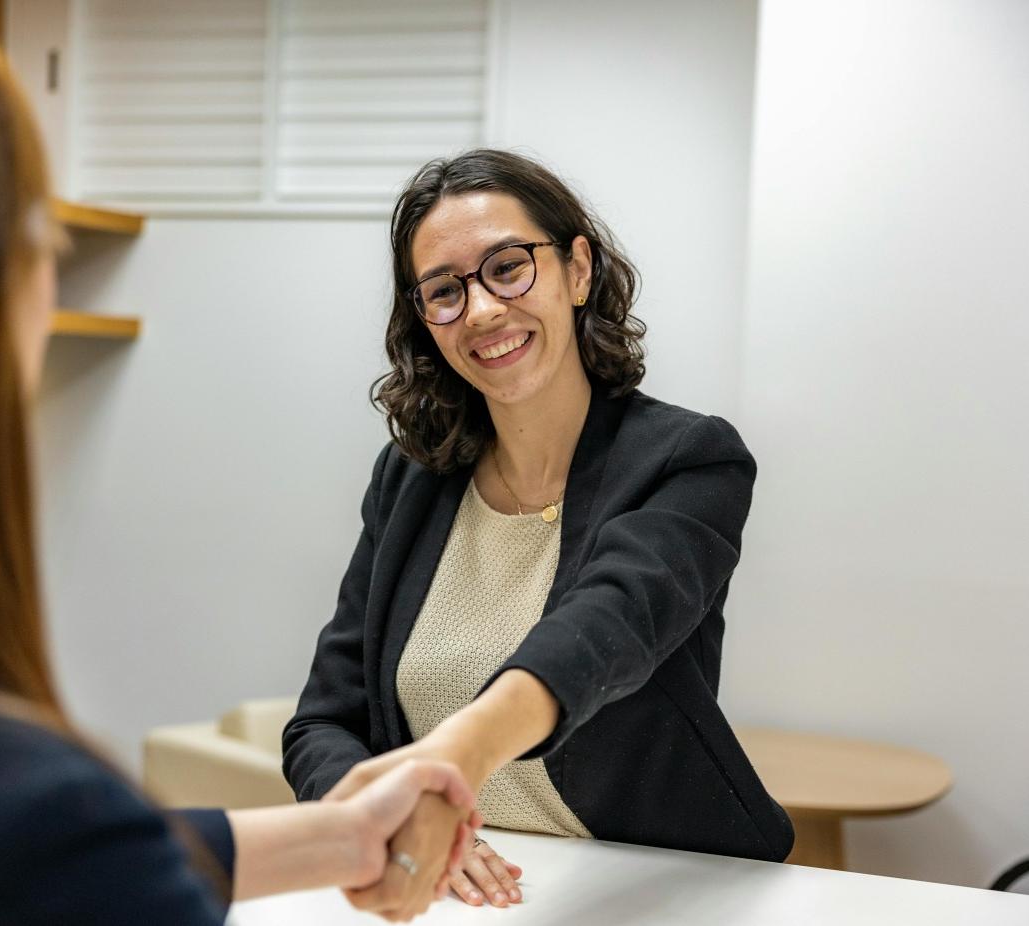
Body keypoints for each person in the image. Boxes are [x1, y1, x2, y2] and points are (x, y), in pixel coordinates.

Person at [0, 1, 476, 923]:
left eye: (509, 268)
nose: (480, 310)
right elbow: (35, 850)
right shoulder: (3, 810)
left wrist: (332, 837)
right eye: (43, 247)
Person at [283, 148, 797, 910]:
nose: (483, 309)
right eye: (445, 291)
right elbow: (323, 724)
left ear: (577, 271)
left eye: (508, 267)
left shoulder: (690, 460)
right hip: (457, 892)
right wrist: (390, 823)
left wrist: (452, 762)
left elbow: (603, 631)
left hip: (659, 890)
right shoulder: (411, 480)